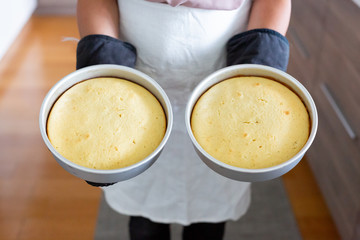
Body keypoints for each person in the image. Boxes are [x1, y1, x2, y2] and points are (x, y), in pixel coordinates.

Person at [75, 0, 291, 239]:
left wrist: (259, 66)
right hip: (134, 85)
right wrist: (103, 66)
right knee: (144, 219)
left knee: (209, 216)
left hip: (226, 89)